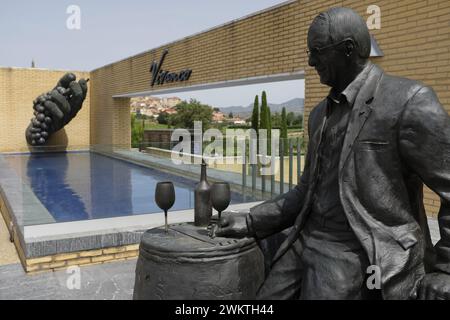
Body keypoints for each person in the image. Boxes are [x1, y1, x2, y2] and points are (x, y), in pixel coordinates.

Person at [215, 7, 450, 300]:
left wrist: (446, 269)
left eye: (317, 51)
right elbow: (305, 192)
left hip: (360, 251)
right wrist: (251, 221)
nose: (311, 61)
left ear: (348, 49)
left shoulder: (409, 101)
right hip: (304, 240)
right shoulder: (318, 115)